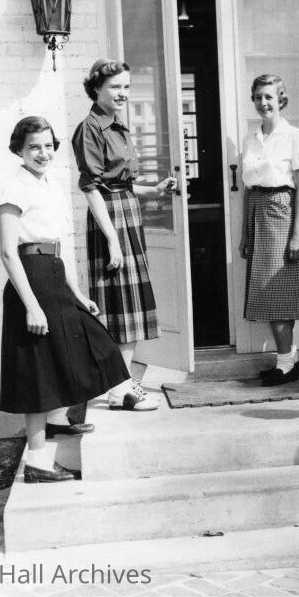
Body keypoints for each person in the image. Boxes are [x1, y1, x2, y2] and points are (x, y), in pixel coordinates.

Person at [0, 117, 137, 483]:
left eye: (48, 145)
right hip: (31, 280)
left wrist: (78, 294)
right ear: (19, 149)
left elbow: (59, 246)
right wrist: (32, 306)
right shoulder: (13, 187)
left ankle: (58, 421)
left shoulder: (50, 185)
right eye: (34, 147)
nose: (43, 153)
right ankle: (38, 463)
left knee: (92, 344)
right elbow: (9, 253)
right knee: (38, 370)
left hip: (54, 275)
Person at [72, 58, 176, 411]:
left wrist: (154, 189)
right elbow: (91, 188)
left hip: (126, 212)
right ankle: (120, 389)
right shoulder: (90, 128)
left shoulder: (118, 126)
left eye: (127, 87)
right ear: (96, 89)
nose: (122, 93)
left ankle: (122, 386)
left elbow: (121, 184)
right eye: (115, 87)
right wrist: (112, 239)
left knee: (130, 306)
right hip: (110, 219)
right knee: (119, 305)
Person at [239, 73, 299, 387]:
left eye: (269, 96)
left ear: (281, 99)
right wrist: (245, 233)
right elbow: (247, 188)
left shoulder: (295, 136)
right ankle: (289, 360)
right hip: (257, 210)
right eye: (258, 97)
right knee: (269, 292)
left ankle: (285, 364)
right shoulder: (251, 138)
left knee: (278, 289)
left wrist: (298, 234)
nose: (263, 103)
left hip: (281, 211)